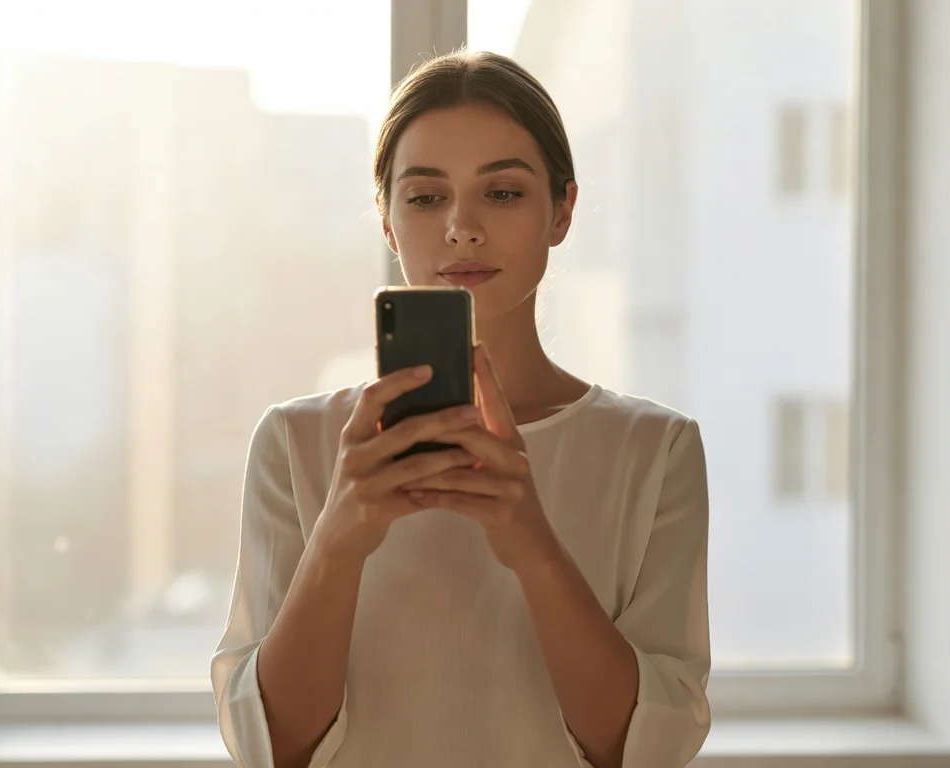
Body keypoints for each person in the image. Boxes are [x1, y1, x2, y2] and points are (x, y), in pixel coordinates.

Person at [211, 50, 711, 768]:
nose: (461, 227)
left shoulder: (655, 451)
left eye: (502, 193)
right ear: (386, 220)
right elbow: (270, 748)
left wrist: (532, 543)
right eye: (424, 197)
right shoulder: (296, 442)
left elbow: (648, 750)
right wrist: (339, 540)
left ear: (562, 210)